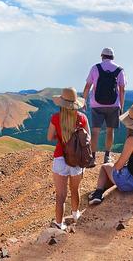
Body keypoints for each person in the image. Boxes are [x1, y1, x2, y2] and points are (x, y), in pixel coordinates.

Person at [88, 103, 133, 205]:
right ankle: (103, 189)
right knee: (115, 171)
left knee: (105, 167)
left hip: (130, 183)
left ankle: (98, 193)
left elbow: (118, 166)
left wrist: (113, 164)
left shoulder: (132, 140)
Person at [47, 87, 90, 229]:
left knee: (60, 195)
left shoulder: (55, 118)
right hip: (77, 159)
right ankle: (75, 214)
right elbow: (88, 137)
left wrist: (60, 137)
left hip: (60, 158)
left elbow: (49, 137)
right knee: (75, 189)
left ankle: (59, 223)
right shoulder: (82, 118)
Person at [83, 47, 126, 164]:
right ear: (113, 57)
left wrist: (84, 101)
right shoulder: (119, 70)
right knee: (110, 130)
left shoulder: (95, 68)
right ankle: (107, 156)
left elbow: (88, 86)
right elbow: (122, 90)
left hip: (96, 104)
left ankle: (92, 157)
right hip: (113, 104)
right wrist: (121, 106)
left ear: (102, 56)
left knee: (95, 131)